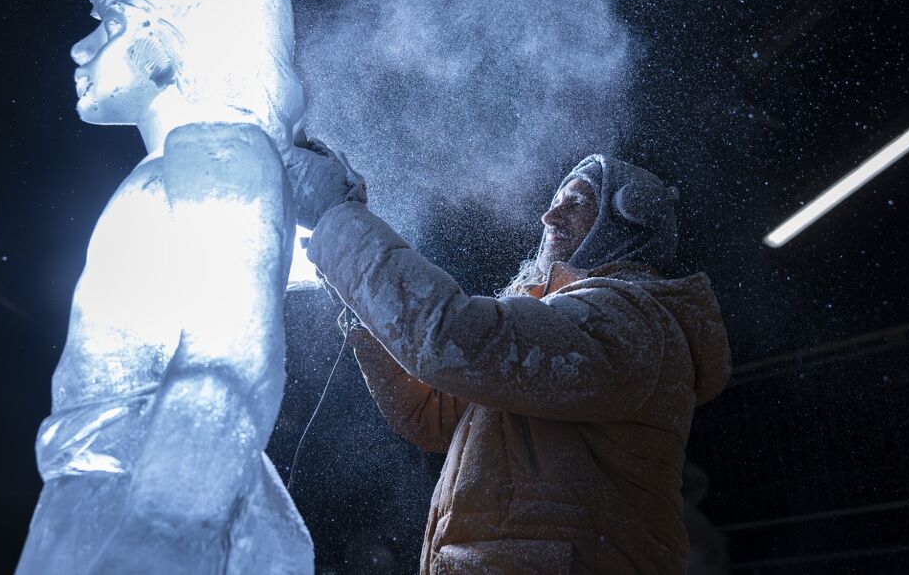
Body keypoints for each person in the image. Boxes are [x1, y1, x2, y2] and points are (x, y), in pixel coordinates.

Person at [17, 0, 313, 573]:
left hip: (151, 491)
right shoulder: (188, 161)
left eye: (108, 22)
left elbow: (230, 353)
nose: (80, 46)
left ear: (165, 40)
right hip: (108, 492)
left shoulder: (218, 149)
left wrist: (167, 524)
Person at [288, 146, 732, 574]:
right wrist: (359, 304)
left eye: (575, 204)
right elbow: (429, 413)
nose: (549, 217)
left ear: (626, 220)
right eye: (554, 203)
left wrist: (340, 222)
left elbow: (449, 339)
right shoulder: (559, 331)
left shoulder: (629, 323)